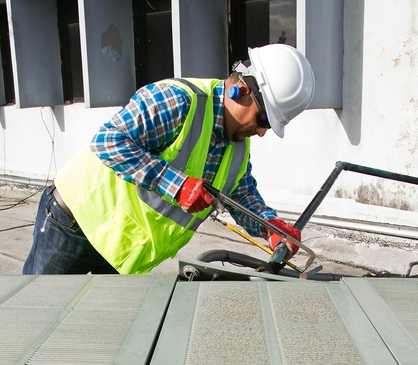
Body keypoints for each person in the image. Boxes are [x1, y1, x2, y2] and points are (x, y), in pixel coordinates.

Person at [22, 43, 315, 275]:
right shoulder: (179, 101)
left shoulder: (238, 144)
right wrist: (176, 185)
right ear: (242, 90)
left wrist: (272, 229)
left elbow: (242, 196)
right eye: (263, 118)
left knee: (96, 334)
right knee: (36, 314)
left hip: (120, 251)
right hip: (75, 223)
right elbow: (108, 141)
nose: (262, 132)